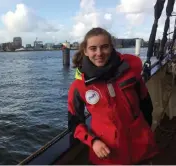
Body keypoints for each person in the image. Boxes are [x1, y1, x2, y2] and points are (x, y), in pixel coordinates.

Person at [68, 27, 159, 165]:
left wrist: (145, 132)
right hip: (108, 154)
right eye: (93, 48)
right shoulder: (78, 87)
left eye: (104, 47)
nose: (99, 53)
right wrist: (93, 142)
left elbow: (146, 104)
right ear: (85, 51)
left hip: (141, 148)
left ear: (111, 47)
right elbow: (74, 123)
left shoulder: (130, 72)